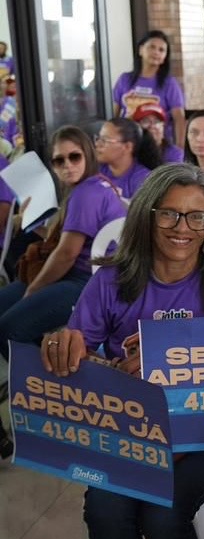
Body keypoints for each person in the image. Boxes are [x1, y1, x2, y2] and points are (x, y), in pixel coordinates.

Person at [40, 163, 204, 539]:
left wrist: (168, 359)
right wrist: (62, 347)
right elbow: (78, 352)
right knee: (104, 509)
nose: (182, 227)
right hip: (131, 431)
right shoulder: (111, 281)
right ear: (146, 216)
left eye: (196, 216)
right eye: (169, 214)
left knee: (165, 514)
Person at [0, 125, 126, 362]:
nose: (68, 165)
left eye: (74, 157)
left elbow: (67, 253)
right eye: (59, 160)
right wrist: (29, 220)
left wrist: (34, 289)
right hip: (75, 275)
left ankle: (41, 379)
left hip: (87, 281)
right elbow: (64, 239)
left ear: (87, 154)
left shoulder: (85, 193)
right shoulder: (94, 185)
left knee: (9, 331)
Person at [112, 30, 186, 146]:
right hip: (128, 144)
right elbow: (114, 116)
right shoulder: (124, 79)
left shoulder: (170, 84)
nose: (156, 52)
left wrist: (179, 149)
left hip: (159, 146)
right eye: (152, 47)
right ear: (140, 50)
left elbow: (179, 119)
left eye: (161, 50)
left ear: (164, 57)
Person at [96, 117, 161, 199]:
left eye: (105, 140)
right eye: (98, 138)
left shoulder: (144, 180)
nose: (97, 144)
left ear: (127, 147)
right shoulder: (95, 170)